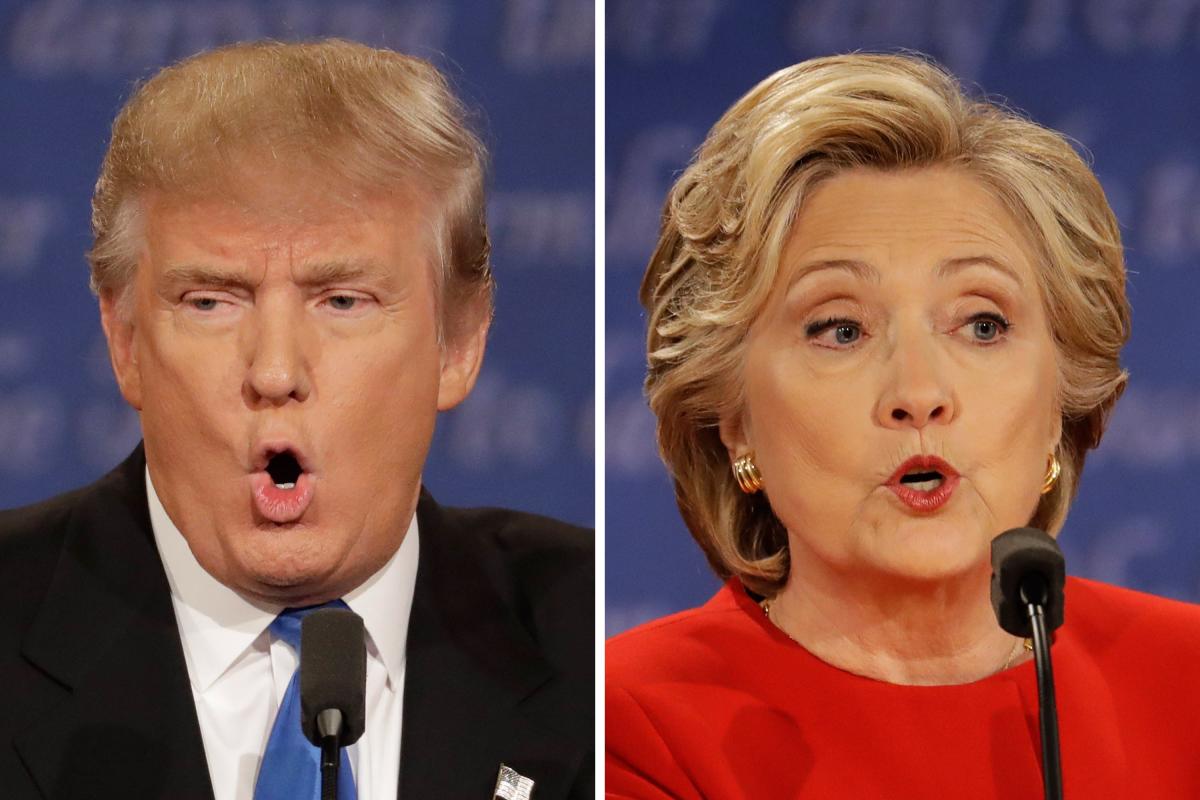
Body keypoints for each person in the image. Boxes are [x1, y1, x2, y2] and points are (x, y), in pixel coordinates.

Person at [0, 39, 592, 800]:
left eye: (342, 300)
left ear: (460, 342)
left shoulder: (595, 646)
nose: (275, 371)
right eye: (212, 301)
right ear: (126, 341)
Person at [606, 53, 1200, 798]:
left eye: (982, 324)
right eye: (840, 330)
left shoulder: (1189, 688)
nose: (919, 393)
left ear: (1061, 402)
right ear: (733, 421)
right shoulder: (627, 730)